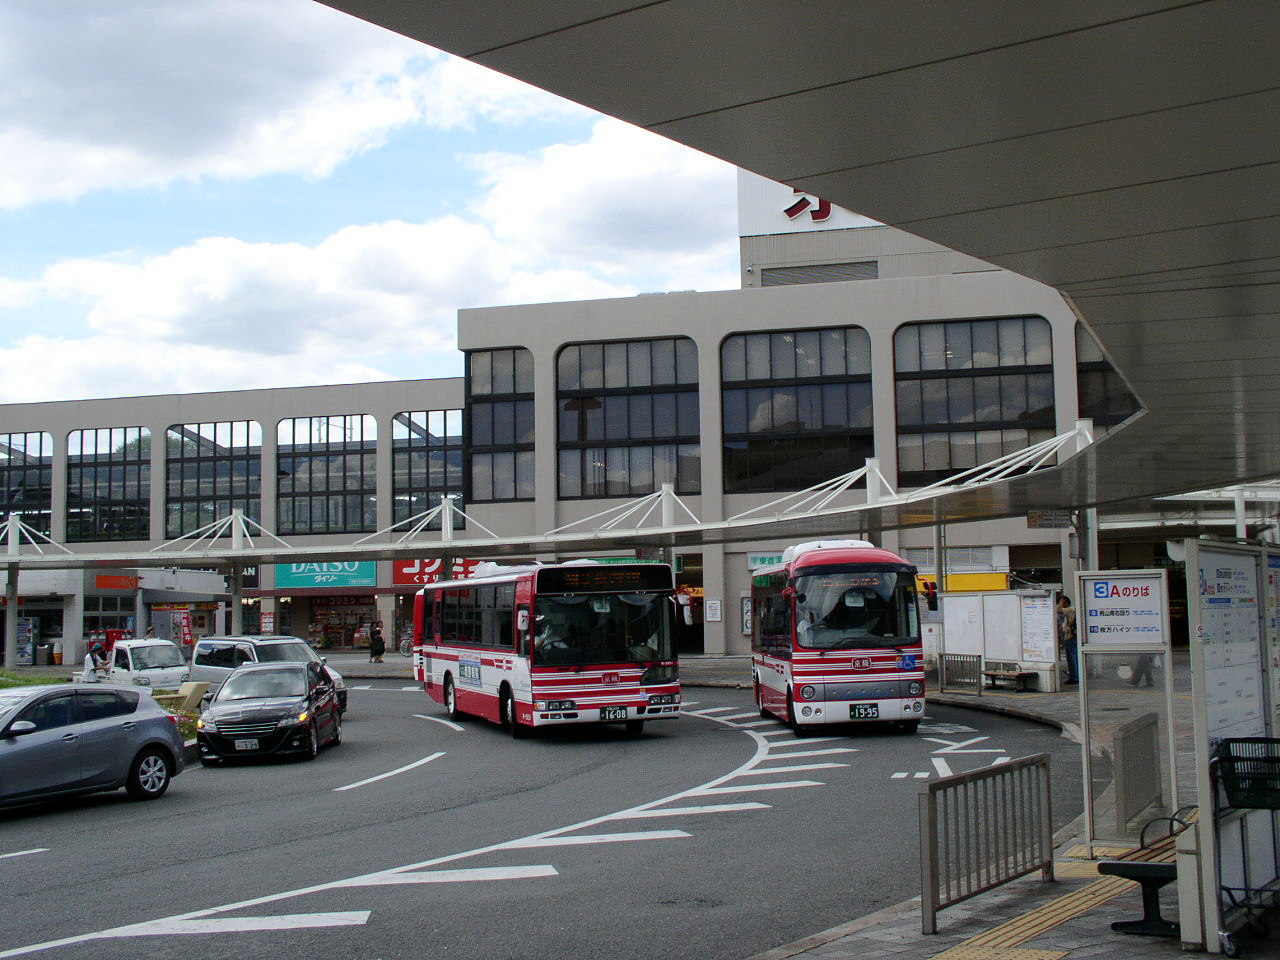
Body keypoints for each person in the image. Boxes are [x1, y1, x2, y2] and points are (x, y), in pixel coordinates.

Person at [1057, 594, 1079, 685]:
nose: (1060, 604)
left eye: (1061, 602)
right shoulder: (1071, 610)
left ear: (1065, 602)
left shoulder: (1070, 609)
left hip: (1071, 637)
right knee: (1074, 657)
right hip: (1072, 637)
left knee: (1071, 658)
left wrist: (1060, 603)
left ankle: (1074, 677)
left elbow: (1057, 610)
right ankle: (1076, 675)